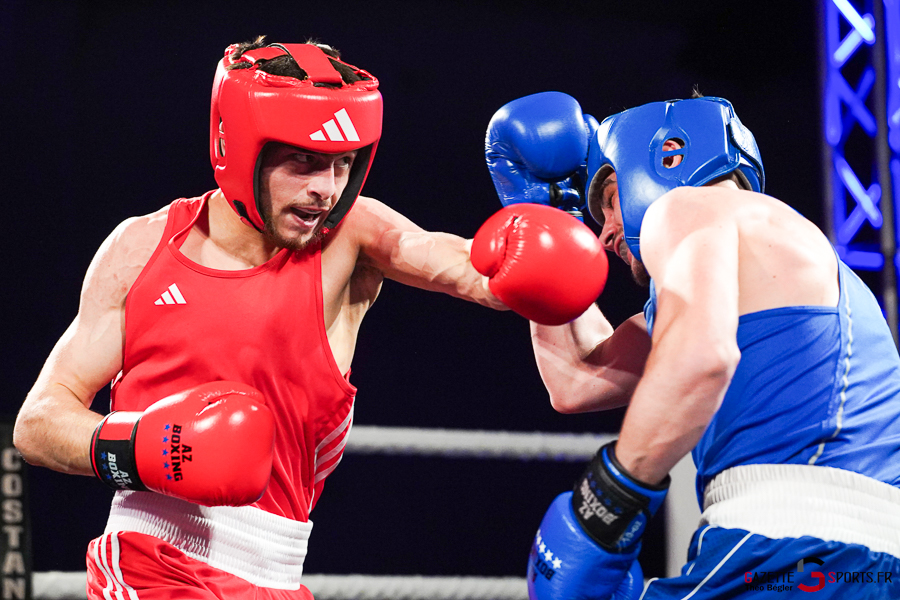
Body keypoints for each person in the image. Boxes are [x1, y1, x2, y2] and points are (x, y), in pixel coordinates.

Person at [13, 39, 608, 599]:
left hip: (276, 573)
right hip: (149, 564)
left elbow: (484, 276)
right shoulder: (140, 250)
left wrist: (541, 221)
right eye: (302, 162)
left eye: (343, 164)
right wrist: (143, 448)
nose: (327, 189)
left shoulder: (352, 238)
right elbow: (38, 422)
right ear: (238, 147)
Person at [483, 91, 900, 599]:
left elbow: (700, 359)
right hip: (849, 557)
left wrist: (605, 507)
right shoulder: (758, 269)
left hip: (792, 542)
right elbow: (574, 381)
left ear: (667, 156)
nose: (605, 232)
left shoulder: (689, 204)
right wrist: (542, 221)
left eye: (609, 202)